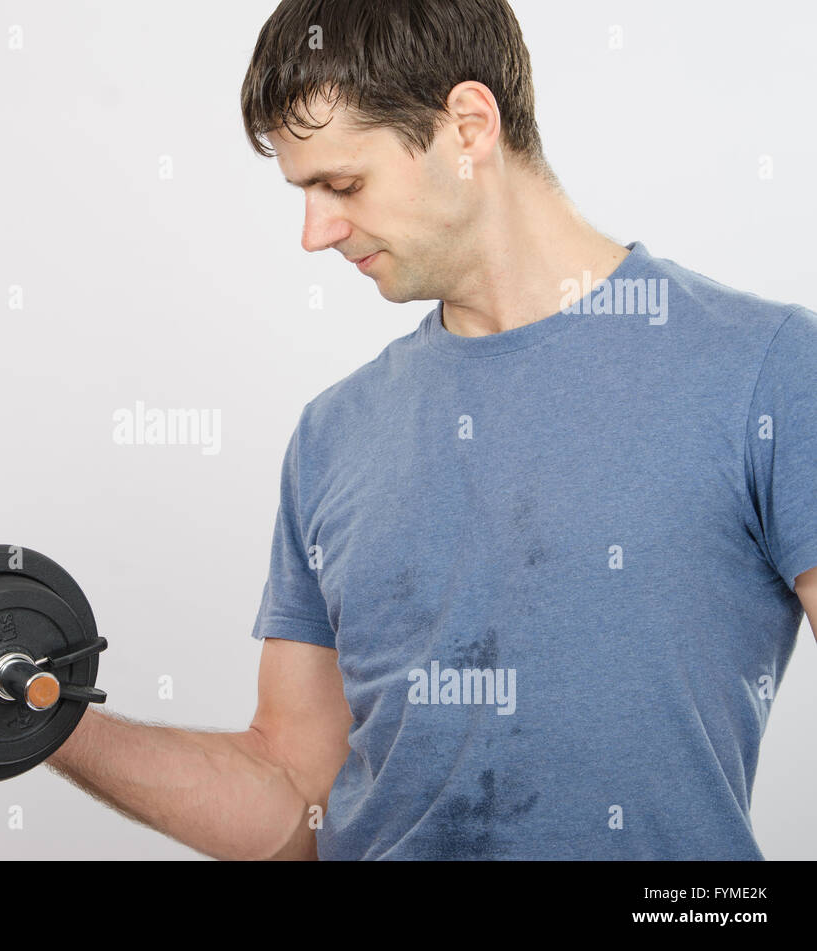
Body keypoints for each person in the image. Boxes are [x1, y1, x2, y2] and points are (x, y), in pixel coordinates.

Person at [46, 0, 817, 860]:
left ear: (468, 125)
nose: (316, 233)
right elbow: (296, 794)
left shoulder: (768, 368)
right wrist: (38, 713)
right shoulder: (332, 435)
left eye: (342, 184)